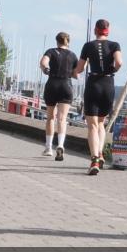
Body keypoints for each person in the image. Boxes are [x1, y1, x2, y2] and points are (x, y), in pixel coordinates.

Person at [72, 19, 122, 175]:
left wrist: (73, 72)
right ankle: (100, 153)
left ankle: (94, 158)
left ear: (95, 30)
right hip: (108, 83)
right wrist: (111, 69)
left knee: (92, 125)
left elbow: (80, 69)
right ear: (108, 30)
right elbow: (120, 62)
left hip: (93, 84)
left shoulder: (88, 46)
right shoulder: (115, 45)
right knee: (101, 122)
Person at [39, 32, 78, 160]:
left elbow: (43, 63)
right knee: (62, 119)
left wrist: (46, 70)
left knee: (50, 117)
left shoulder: (51, 51)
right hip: (66, 86)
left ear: (57, 41)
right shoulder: (72, 55)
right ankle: (60, 145)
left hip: (52, 85)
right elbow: (76, 74)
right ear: (68, 41)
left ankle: (48, 148)